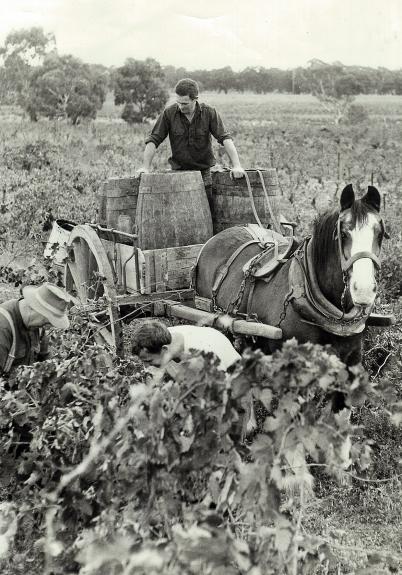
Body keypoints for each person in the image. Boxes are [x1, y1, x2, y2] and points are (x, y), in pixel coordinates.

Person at [135, 78, 245, 206]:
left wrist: (237, 165)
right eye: (178, 103)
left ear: (195, 99)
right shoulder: (169, 114)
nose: (181, 107)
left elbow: (225, 138)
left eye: (185, 104)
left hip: (204, 174)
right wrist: (145, 167)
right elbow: (154, 140)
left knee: (207, 213)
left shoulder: (209, 113)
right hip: (178, 175)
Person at [0, 283, 70, 375]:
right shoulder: (3, 327)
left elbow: (45, 358)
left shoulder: (38, 326)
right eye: (47, 321)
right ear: (33, 308)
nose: (47, 327)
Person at [130, 319, 241, 371]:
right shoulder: (161, 337)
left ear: (164, 349)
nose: (146, 366)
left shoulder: (203, 354)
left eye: (149, 361)